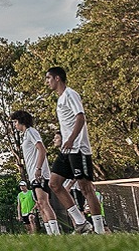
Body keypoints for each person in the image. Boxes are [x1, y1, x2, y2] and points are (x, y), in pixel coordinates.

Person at [46, 66, 104, 234]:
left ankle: (99, 231)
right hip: (67, 151)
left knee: (86, 189)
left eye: (48, 78)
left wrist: (70, 139)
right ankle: (81, 223)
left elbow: (80, 117)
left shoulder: (71, 94)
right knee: (54, 183)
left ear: (57, 78)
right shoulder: (60, 99)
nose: (47, 82)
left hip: (78, 149)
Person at [10, 110, 60, 235]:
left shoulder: (31, 132)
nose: (15, 125)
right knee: (40, 204)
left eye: (15, 121)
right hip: (33, 175)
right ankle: (50, 233)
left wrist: (38, 169)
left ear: (21, 121)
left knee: (44, 202)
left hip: (40, 174)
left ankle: (56, 233)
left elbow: (42, 150)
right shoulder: (25, 135)